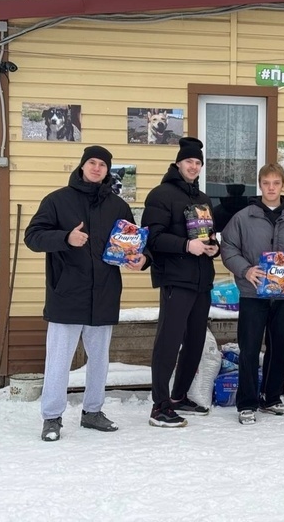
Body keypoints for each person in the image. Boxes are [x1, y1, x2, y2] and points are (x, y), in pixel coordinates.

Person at [24, 145, 148, 442]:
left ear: (108, 171)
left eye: (102, 165)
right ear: (82, 166)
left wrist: (139, 259)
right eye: (91, 163)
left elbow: (131, 243)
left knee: (99, 359)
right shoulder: (57, 201)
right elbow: (33, 237)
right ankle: (52, 417)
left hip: (104, 292)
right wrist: (66, 237)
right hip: (67, 292)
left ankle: (92, 411)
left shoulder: (118, 206)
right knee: (58, 359)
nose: (96, 168)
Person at [220, 164, 284, 425]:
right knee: (249, 348)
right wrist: (246, 270)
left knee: (278, 347)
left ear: (283, 186)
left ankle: (272, 398)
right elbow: (228, 247)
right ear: (260, 185)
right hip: (252, 294)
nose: (271, 188)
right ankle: (247, 403)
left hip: (282, 295)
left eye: (276, 183)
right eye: (266, 183)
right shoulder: (243, 217)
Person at [142, 137, 220, 428]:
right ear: (178, 164)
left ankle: (179, 396)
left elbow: (211, 236)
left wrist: (215, 248)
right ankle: (159, 406)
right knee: (169, 341)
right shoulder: (161, 195)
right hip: (175, 278)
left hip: (201, 280)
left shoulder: (203, 199)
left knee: (195, 341)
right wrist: (187, 246)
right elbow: (153, 237)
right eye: (189, 161)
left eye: (198, 163)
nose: (194, 166)